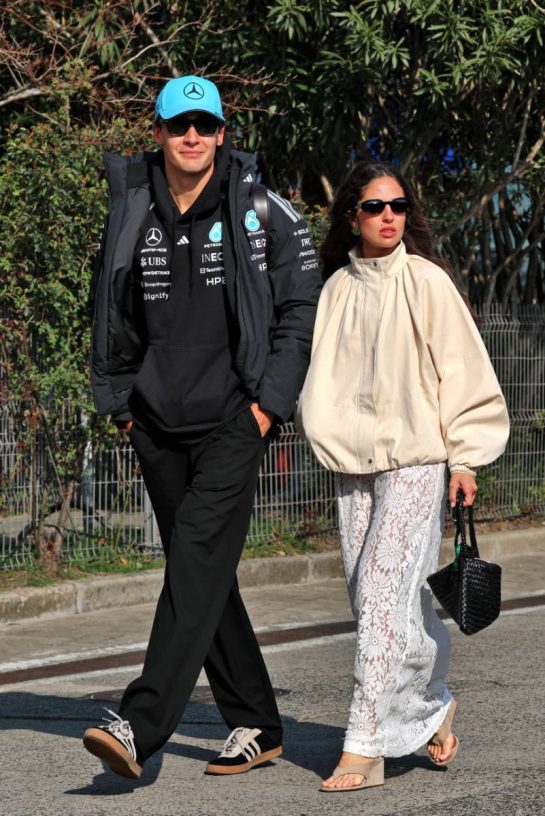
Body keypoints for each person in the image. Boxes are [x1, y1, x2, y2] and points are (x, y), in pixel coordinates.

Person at [84, 75, 321, 780]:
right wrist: (121, 405)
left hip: (233, 418)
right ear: (155, 132)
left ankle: (140, 721)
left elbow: (299, 308)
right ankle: (256, 719)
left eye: (204, 125)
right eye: (177, 125)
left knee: (192, 556)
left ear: (223, 134)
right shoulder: (130, 205)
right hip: (154, 421)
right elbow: (108, 305)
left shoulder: (259, 208)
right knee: (204, 568)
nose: (192, 137)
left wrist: (267, 404)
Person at [296, 161, 509, 793]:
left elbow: (464, 372)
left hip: (417, 461)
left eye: (397, 205)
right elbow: (325, 379)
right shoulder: (336, 289)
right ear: (351, 218)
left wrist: (465, 457)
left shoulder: (427, 282)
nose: (388, 216)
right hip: (352, 468)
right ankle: (434, 705)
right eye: (372, 207)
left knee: (387, 603)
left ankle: (364, 747)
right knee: (373, 602)